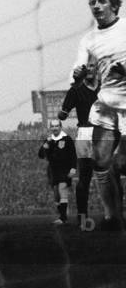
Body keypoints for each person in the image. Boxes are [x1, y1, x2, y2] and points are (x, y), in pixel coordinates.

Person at [71, 0, 126, 230]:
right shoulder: (89, 40)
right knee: (101, 162)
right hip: (106, 106)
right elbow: (78, 68)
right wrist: (79, 72)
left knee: (121, 164)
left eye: (102, 1)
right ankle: (111, 216)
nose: (96, 6)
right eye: (93, 2)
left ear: (114, 5)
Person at [57, 57, 100, 226]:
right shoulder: (77, 89)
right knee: (85, 178)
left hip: (102, 133)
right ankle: (83, 217)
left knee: (107, 176)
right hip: (87, 133)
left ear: (97, 69)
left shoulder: (105, 89)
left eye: (92, 66)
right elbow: (62, 114)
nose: (89, 69)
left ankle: (111, 214)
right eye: (87, 66)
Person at [39, 118, 77, 224]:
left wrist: (73, 169)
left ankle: (63, 218)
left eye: (57, 126)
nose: (55, 128)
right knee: (56, 193)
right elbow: (41, 155)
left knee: (62, 188)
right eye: (53, 126)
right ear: (50, 128)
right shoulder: (48, 140)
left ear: (60, 127)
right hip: (52, 169)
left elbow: (73, 156)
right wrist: (44, 146)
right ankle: (62, 215)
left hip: (64, 168)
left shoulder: (67, 139)